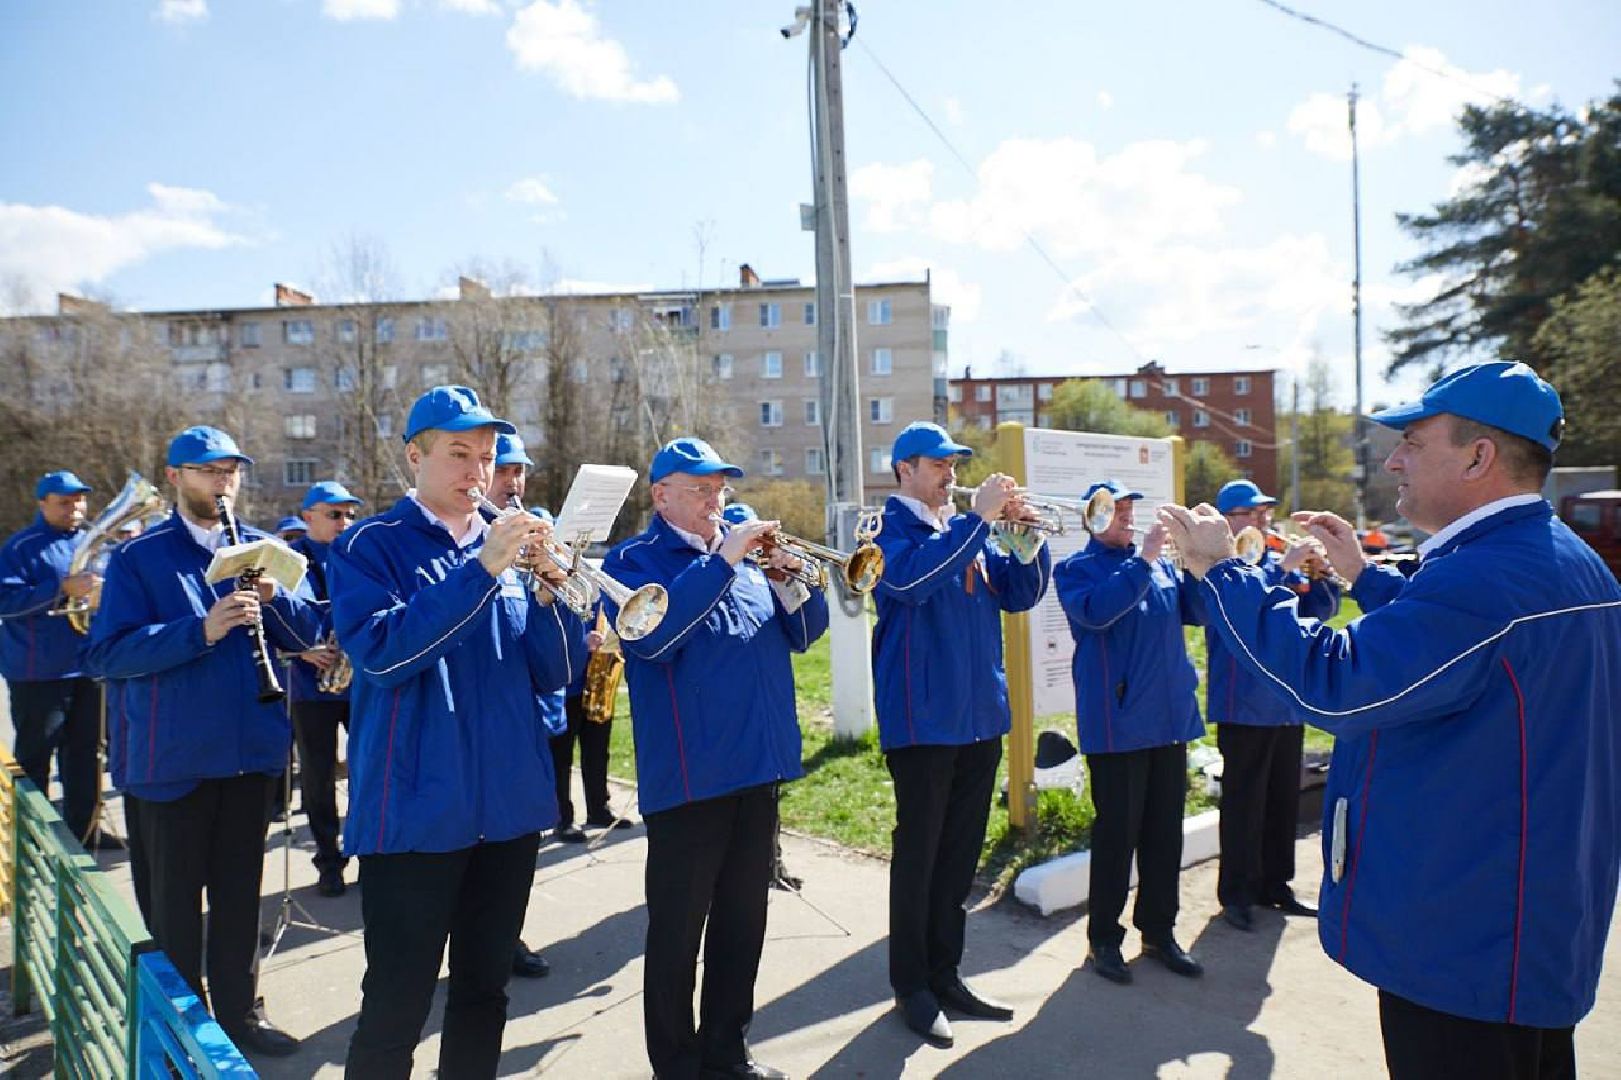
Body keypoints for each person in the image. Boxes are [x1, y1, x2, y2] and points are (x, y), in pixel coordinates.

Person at [1161, 361, 1621, 1079]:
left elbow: (1335, 688)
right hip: (1526, 919)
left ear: (1478, 456)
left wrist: (1223, 573)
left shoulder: (1486, 578)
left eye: (1412, 439)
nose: (1392, 459)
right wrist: (1367, 579)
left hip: (1464, 940)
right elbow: (1453, 653)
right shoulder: (1561, 559)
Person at [329, 387, 586, 1078]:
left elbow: (553, 674)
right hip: (415, 811)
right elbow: (383, 655)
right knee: (395, 1004)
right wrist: (482, 570)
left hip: (505, 810)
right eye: (458, 453)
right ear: (415, 456)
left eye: (488, 454)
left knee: (483, 993)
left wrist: (551, 594)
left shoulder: (506, 548)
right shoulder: (368, 545)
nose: (477, 470)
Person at [87, 427, 321, 1057]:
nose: (223, 483)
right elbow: (106, 654)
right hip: (172, 764)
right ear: (175, 477)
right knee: (174, 914)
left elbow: (306, 633)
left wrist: (279, 600)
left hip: (247, 759)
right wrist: (201, 629)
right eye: (208, 471)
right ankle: (177, 1032)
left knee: (242, 901)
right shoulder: (141, 559)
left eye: (232, 472)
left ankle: (239, 1017)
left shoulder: (261, 549)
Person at [603, 436, 828, 1080]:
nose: (714, 499)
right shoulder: (632, 559)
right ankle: (675, 1062)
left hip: (759, 768)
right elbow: (652, 642)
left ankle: (728, 1051)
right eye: (699, 488)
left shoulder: (746, 559)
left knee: (742, 923)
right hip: (690, 777)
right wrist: (724, 562)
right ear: (661, 494)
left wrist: (789, 581)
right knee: (678, 933)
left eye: (720, 487)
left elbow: (804, 635)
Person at [871, 421, 1051, 1048]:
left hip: (978, 719)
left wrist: (1026, 538)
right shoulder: (885, 530)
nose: (951, 473)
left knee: (958, 860)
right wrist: (978, 521)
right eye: (939, 464)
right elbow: (910, 583)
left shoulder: (961, 531)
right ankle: (911, 988)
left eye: (954, 464)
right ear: (905, 471)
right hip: (923, 723)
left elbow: (1020, 595)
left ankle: (946, 976)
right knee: (920, 859)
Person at [1054, 479, 1205, 986]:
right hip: (1117, 726)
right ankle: (1103, 938)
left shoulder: (1161, 565)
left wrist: (1202, 563)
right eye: (1115, 509)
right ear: (1091, 518)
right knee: (1117, 837)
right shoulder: (1075, 569)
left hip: (1167, 721)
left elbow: (1198, 613)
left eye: (1129, 508)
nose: (1126, 516)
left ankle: (1159, 932)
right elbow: (1095, 615)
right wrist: (1143, 561)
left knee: (1165, 835)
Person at [1207, 479, 1338, 932]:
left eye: (1263, 511)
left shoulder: (1275, 564)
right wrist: (1284, 568)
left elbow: (1320, 611)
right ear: (1229, 521)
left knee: (1283, 798)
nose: (1261, 519)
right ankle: (1237, 893)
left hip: (1286, 702)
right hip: (1242, 704)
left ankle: (1275, 884)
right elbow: (1250, 608)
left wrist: (1320, 573)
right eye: (1250, 512)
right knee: (1245, 802)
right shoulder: (1226, 568)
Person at [486, 433, 565, 982]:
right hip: (475, 720)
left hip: (529, 716)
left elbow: (553, 661)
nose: (514, 483)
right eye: (504, 471)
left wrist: (551, 592)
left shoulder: (534, 531)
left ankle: (506, 934)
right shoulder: (471, 542)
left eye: (520, 473)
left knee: (518, 843)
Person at [0, 470, 103, 846]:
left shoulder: (93, 543)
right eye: (63, 501)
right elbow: (6, 602)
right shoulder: (19, 547)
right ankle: (29, 840)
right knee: (35, 757)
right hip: (38, 672)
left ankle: (84, 832)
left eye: (79, 499)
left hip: (87, 664)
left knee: (85, 755)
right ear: (42, 503)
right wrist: (61, 589)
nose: (74, 507)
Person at [285, 479, 363, 898]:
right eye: (335, 514)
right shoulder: (291, 559)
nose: (344, 522)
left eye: (350, 514)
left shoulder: (358, 554)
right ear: (308, 517)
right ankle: (328, 860)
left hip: (358, 682)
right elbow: (279, 612)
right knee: (317, 775)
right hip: (310, 683)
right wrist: (301, 648)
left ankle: (370, 851)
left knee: (367, 769)